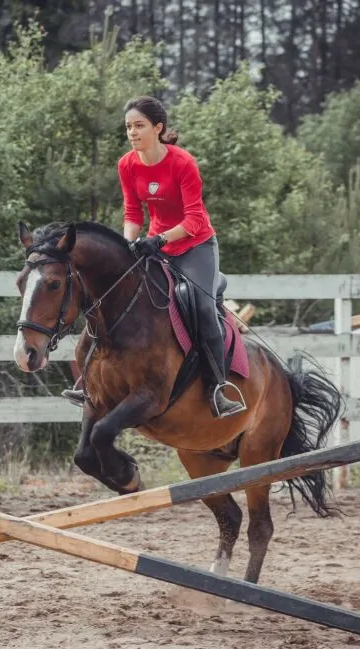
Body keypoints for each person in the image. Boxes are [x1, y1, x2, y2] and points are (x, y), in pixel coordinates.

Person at [63, 95, 247, 419]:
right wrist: (127, 245)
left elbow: (194, 220)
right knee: (109, 296)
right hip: (155, 243)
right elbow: (133, 213)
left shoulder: (183, 163)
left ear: (158, 128)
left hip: (195, 245)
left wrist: (159, 238)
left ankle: (218, 387)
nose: (132, 133)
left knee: (201, 304)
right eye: (128, 127)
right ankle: (88, 380)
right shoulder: (127, 164)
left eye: (139, 126)